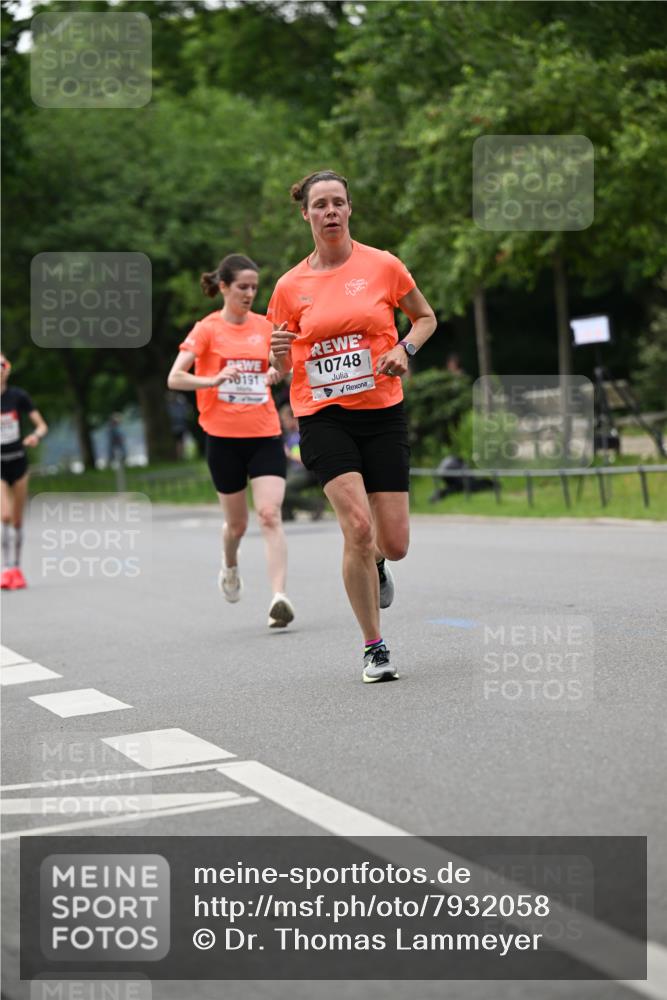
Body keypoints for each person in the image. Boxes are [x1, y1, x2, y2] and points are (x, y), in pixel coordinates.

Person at [268, 170, 437, 682]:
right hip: (322, 417)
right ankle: (374, 646)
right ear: (306, 214)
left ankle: (379, 564)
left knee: (395, 541)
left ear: (349, 210)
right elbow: (281, 364)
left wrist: (403, 349)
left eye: (339, 203)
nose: (331, 212)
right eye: (321, 205)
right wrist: (277, 358)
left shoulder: (383, 265)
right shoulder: (289, 286)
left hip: (382, 413)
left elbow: (425, 318)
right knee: (357, 529)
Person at [167, 254, 294, 629]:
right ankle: (230, 565)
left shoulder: (264, 326)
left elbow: (282, 367)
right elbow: (174, 378)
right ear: (223, 287)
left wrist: (275, 371)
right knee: (236, 526)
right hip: (223, 439)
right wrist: (212, 380)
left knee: (270, 515)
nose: (250, 294)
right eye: (243, 287)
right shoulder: (206, 330)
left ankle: (279, 597)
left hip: (265, 434)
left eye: (254, 287)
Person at [1, 353, 48, 589]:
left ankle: (16, 569)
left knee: (17, 520)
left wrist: (34, 436)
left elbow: (41, 425)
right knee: (5, 516)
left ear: (8, 369)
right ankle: (5, 568)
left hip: (18, 461)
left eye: (2, 364)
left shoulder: (18, 396)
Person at [279, 403, 325, 521]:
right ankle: (286, 512)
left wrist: (288, 454)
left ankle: (315, 505)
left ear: (293, 418)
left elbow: (306, 458)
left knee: (283, 490)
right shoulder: (289, 436)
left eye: (285, 420)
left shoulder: (303, 433)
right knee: (276, 486)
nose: (283, 424)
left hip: (305, 471)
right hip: (293, 471)